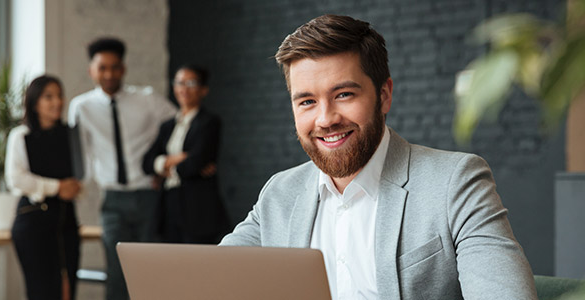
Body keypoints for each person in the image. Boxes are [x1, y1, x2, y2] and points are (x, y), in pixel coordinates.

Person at [220, 14, 538, 299]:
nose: (325, 118)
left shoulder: (455, 183)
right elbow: (209, 277)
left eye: (344, 95)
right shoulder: (279, 193)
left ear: (384, 95)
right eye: (306, 102)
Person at [67, 37, 177, 300]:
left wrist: (163, 165)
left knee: (150, 271)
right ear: (91, 70)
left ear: (123, 69)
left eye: (115, 67)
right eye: (102, 68)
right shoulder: (81, 107)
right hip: (112, 200)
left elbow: (180, 124)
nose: (109, 74)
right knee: (116, 275)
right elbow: (77, 154)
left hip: (147, 195)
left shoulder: (147, 99)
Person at [6, 75, 81, 300]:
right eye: (49, 97)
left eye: (59, 96)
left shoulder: (69, 135)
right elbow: (15, 179)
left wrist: (75, 187)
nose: (56, 102)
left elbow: (80, 174)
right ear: (34, 102)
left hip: (66, 220)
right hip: (33, 222)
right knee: (42, 291)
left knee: (67, 289)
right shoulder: (21, 135)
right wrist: (56, 187)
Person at [143, 65, 229, 244]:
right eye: (180, 83)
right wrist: (175, 160)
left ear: (203, 90)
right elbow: (146, 163)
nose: (184, 88)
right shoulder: (167, 126)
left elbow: (195, 163)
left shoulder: (209, 122)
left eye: (191, 83)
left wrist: (165, 169)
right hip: (169, 205)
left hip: (198, 208)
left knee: (197, 264)